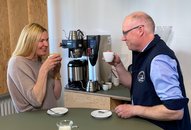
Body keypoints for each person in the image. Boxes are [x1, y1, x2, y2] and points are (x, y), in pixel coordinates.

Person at [108, 11, 191, 130]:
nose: (123, 38)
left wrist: (134, 109)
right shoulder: (142, 53)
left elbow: (176, 111)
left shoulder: (159, 60)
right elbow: (135, 84)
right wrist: (118, 64)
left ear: (140, 30)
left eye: (125, 32)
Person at [7, 23, 62, 112]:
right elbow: (36, 100)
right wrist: (44, 69)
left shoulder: (41, 61)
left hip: (51, 117)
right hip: (32, 122)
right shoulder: (16, 63)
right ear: (30, 42)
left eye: (47, 40)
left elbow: (56, 95)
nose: (46, 44)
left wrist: (57, 72)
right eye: (41, 40)